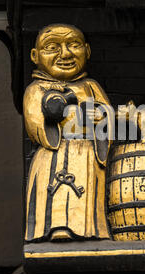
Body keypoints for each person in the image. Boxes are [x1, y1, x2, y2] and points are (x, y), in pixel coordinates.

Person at [23, 24, 111, 242]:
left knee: (91, 193)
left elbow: (107, 115)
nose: (65, 54)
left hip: (89, 154)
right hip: (54, 154)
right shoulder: (36, 89)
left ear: (87, 51)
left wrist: (101, 118)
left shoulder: (91, 86)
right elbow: (35, 123)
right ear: (35, 56)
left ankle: (93, 228)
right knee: (57, 192)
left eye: (73, 45)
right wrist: (55, 116)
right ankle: (55, 228)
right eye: (52, 47)